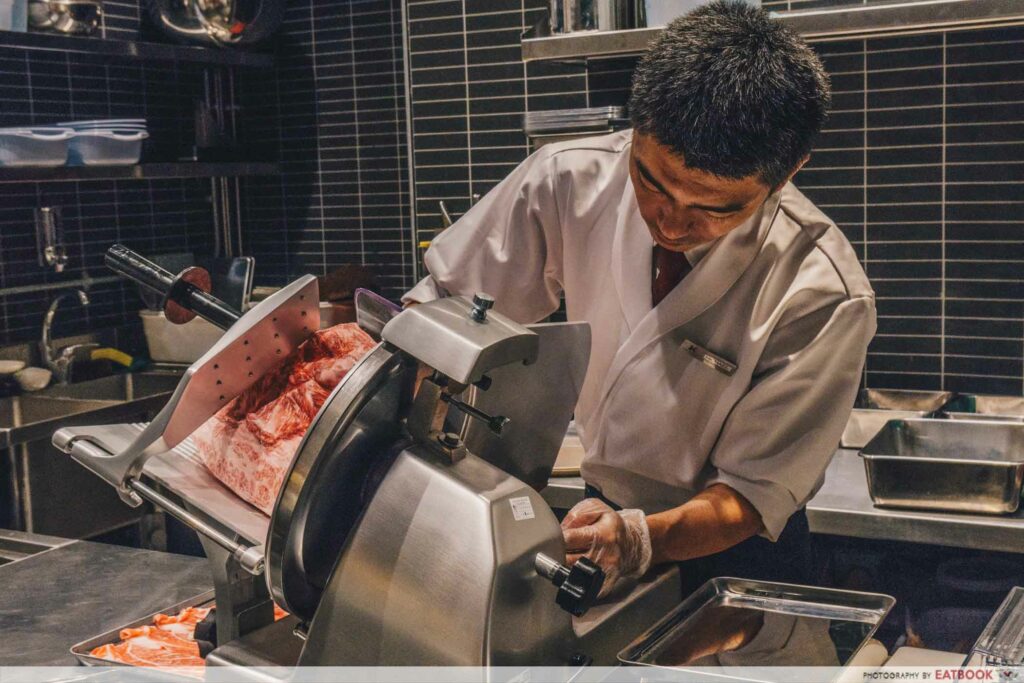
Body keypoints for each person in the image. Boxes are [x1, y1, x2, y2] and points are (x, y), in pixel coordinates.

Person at [403, 0, 875, 597]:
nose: (671, 223)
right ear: (635, 128)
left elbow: (754, 495)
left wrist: (640, 540)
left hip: (738, 559)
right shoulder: (568, 180)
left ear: (787, 174)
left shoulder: (821, 289)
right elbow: (447, 304)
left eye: (713, 207)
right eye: (651, 181)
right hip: (600, 520)